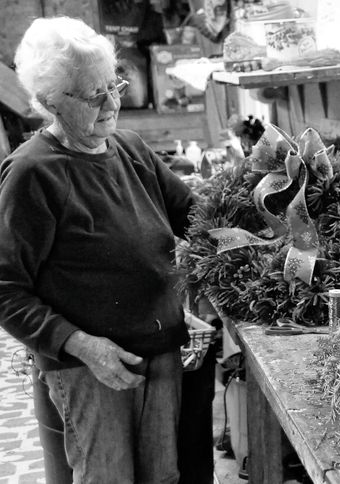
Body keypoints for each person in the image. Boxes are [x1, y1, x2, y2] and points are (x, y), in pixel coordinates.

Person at [0, 16, 195, 483]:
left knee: (163, 478)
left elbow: (196, 215)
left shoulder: (130, 148)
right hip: (90, 368)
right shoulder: (33, 173)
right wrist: (83, 346)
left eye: (115, 85)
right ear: (50, 102)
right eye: (93, 94)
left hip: (161, 351)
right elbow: (5, 290)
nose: (111, 104)